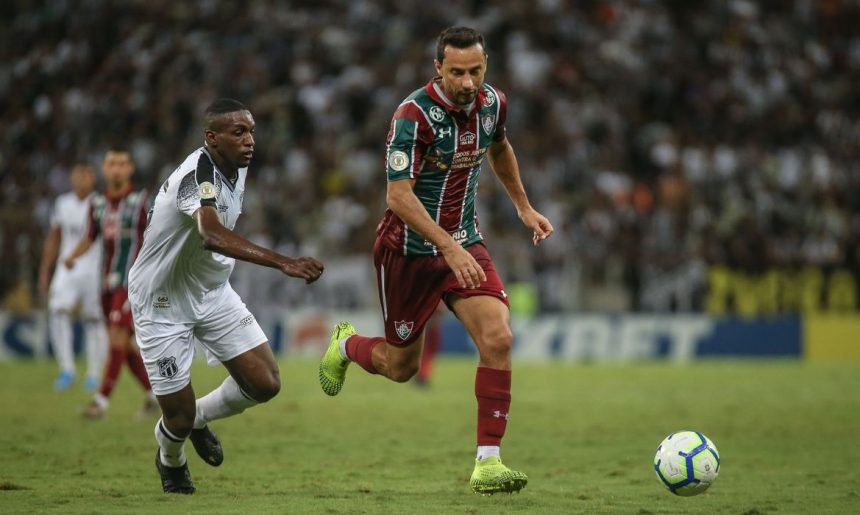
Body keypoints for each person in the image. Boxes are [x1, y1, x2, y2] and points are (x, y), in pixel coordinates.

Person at [318, 26, 554, 495]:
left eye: (476, 71)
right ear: (438, 68)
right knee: (400, 367)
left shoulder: (494, 103)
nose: (468, 82)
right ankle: (345, 345)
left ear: (486, 66)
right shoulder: (413, 116)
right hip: (408, 252)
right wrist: (447, 247)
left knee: (498, 337)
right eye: (457, 72)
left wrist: (524, 207)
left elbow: (500, 147)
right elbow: (398, 196)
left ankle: (488, 462)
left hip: (465, 242)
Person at [128, 98, 324, 494]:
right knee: (176, 419)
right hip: (162, 300)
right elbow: (211, 234)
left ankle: (200, 418)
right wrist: (282, 262)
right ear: (212, 138)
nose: (250, 140)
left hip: (212, 291)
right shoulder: (198, 174)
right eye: (239, 132)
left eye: (251, 131)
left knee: (266, 382)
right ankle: (171, 459)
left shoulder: (236, 166)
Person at [64, 148, 157, 418]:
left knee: (117, 336)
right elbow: (90, 236)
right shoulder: (98, 204)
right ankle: (154, 396)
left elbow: (158, 236)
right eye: (111, 163)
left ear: (130, 169)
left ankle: (100, 402)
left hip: (133, 282)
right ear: (104, 169)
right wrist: (72, 256)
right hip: (106, 283)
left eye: (122, 163)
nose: (116, 169)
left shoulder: (142, 201)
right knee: (123, 346)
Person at [38, 163, 107, 391]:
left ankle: (93, 374)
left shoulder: (101, 202)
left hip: (93, 269)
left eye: (86, 175)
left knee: (94, 319)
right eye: (77, 176)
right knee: (58, 311)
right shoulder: (63, 203)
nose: (81, 180)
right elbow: (54, 237)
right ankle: (66, 369)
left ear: (93, 179)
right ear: (71, 179)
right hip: (66, 267)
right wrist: (45, 269)